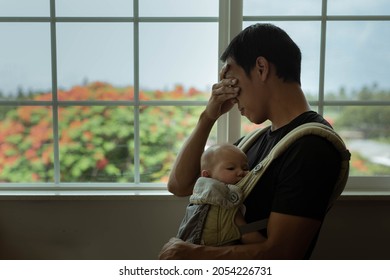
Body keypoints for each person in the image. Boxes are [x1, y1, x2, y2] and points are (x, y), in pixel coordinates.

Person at [159, 23, 342, 259]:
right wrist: (208, 117)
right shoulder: (251, 142)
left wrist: (195, 254)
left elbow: (284, 253)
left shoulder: (311, 146)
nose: (232, 96)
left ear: (261, 68)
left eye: (233, 82)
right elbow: (179, 186)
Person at [176, 143, 264, 245]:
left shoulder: (200, 194)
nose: (241, 172)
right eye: (231, 168)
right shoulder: (221, 199)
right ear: (207, 175)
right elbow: (246, 233)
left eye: (245, 168)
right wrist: (269, 248)